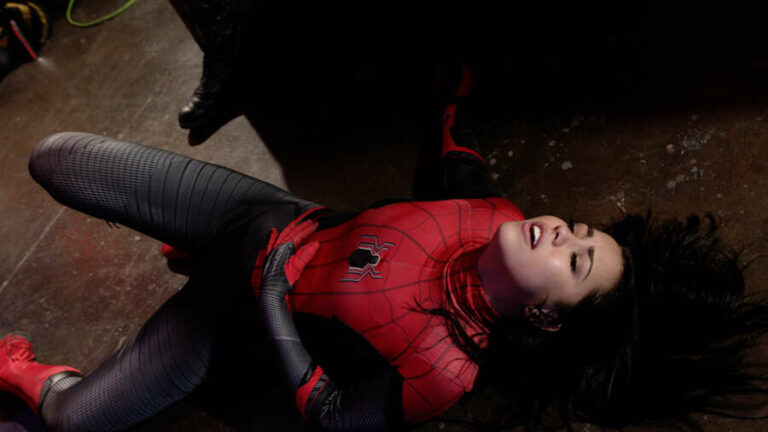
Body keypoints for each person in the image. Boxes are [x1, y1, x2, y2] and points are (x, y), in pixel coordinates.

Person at [2, 72, 768, 431]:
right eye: (580, 230)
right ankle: (199, 251)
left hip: (223, 321)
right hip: (253, 217)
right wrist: (456, 101)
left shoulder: (443, 373)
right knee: (53, 156)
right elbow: (460, 162)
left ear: (546, 316)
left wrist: (270, 299)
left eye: (575, 262)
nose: (563, 232)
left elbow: (333, 417)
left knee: (71, 423)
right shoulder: (492, 212)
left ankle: (26, 369)